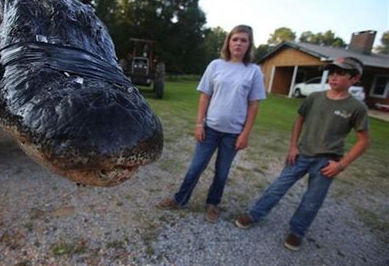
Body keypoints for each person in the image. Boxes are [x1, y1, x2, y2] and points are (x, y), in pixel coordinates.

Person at [234, 56, 370, 251]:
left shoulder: (357, 108)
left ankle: (297, 232)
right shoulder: (315, 97)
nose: (333, 77)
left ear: (354, 78)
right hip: (300, 155)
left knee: (312, 201)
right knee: (277, 187)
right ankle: (254, 214)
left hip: (326, 162)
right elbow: (299, 120)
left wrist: (341, 165)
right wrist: (293, 146)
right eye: (332, 73)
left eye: (340, 74)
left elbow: (364, 141)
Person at [156, 25, 266, 223]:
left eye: (243, 40)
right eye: (235, 39)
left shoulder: (253, 71)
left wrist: (245, 134)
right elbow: (205, 96)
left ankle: (212, 204)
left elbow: (253, 105)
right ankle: (180, 199)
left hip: (233, 133)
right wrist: (199, 124)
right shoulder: (215, 65)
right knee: (195, 167)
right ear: (228, 42)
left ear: (249, 44)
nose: (239, 44)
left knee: (222, 172)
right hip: (210, 129)